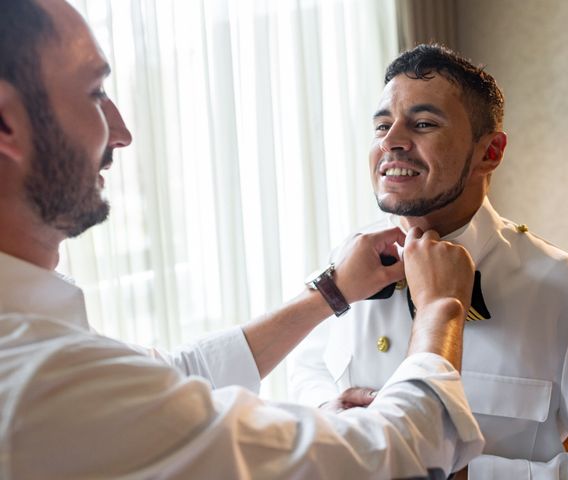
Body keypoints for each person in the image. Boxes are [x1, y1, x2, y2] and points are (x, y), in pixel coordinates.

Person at [0, 1, 487, 478]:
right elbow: (396, 457)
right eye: (94, 93)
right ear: (7, 124)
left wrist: (328, 292)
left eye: (423, 124)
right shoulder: (37, 380)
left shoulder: (37, 337)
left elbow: (172, 375)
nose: (122, 133)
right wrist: (441, 309)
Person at [288, 44, 568, 479]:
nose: (391, 141)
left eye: (422, 124)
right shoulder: (349, 261)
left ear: (489, 152)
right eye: (382, 125)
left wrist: (467, 474)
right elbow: (308, 364)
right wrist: (325, 409)